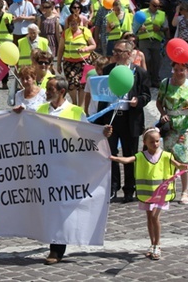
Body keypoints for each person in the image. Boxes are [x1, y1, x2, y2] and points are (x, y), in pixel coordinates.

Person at [37, 76, 112, 265]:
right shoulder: (41, 110)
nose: (46, 91)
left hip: (67, 166)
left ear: (62, 91)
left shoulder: (75, 111)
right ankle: (53, 240)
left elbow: (87, 134)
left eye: (50, 88)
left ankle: (57, 248)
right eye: (46, 88)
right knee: (50, 206)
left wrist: (102, 133)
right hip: (46, 166)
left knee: (61, 206)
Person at [110, 127, 188, 260]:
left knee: (155, 217)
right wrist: (113, 158)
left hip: (161, 194)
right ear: (145, 143)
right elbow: (127, 160)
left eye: (157, 141)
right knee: (149, 218)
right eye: (152, 142)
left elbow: (178, 165)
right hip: (147, 194)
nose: (155, 144)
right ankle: (152, 243)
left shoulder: (166, 155)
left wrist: (185, 167)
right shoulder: (141, 156)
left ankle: (157, 244)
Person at [97, 39, 152, 203]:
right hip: (111, 118)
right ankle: (113, 187)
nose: (115, 54)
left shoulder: (139, 72)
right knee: (111, 154)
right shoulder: (108, 70)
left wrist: (138, 101)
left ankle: (130, 188)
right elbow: (101, 95)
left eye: (119, 51)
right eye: (114, 51)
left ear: (128, 54)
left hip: (130, 119)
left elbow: (147, 95)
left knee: (130, 155)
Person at [156, 61, 188, 205]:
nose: (178, 72)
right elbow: (159, 102)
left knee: (184, 158)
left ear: (187, 71)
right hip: (170, 125)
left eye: (182, 70)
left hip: (184, 125)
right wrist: (163, 113)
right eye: (176, 69)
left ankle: (185, 192)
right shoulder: (166, 83)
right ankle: (168, 189)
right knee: (169, 158)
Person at [57, 15, 96, 107]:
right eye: (71, 24)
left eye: (74, 24)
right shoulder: (66, 33)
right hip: (68, 62)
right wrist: (58, 63)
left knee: (82, 84)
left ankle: (80, 106)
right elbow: (61, 49)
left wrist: (85, 49)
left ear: (78, 23)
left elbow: (93, 45)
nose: (73, 26)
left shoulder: (85, 31)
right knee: (71, 83)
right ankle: (74, 102)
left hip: (82, 61)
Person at [137, 0, 169, 88]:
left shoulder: (162, 14)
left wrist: (160, 29)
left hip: (156, 41)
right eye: (154, 6)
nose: (156, 8)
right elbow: (134, 26)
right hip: (144, 39)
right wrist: (140, 27)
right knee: (146, 59)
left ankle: (155, 80)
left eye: (158, 6)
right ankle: (146, 80)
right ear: (150, 4)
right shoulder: (142, 12)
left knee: (156, 61)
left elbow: (166, 27)